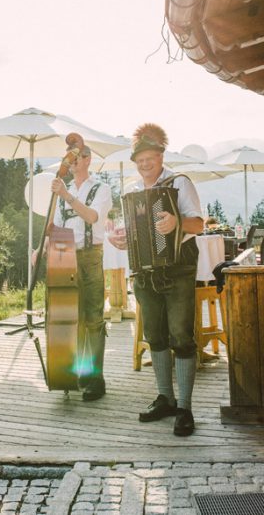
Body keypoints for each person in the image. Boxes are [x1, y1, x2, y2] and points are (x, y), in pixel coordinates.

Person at [110, 123, 204, 437]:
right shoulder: (132, 190)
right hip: (145, 271)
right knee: (155, 335)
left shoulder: (180, 183)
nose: (145, 164)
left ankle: (185, 408)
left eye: (150, 158)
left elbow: (199, 225)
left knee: (181, 336)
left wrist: (177, 222)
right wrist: (122, 239)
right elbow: (133, 233)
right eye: (140, 160)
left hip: (177, 267)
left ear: (160, 156)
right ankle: (165, 398)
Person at [50, 142, 112, 401]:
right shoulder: (64, 189)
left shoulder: (101, 188)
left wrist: (66, 196)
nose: (73, 160)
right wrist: (41, 250)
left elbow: (92, 217)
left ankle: (96, 379)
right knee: (71, 317)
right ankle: (79, 372)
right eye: (70, 157)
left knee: (93, 318)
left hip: (90, 256)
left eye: (78, 156)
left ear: (88, 159)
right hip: (65, 257)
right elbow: (55, 226)